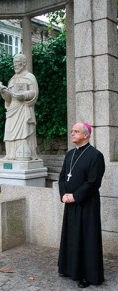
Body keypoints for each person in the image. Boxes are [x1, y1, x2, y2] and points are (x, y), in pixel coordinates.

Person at [58, 122, 105, 288]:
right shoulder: (69, 154)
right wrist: (64, 194)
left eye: (76, 131)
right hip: (69, 202)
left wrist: (75, 196)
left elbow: (93, 182)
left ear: (86, 135)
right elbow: (63, 176)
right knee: (71, 235)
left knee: (87, 238)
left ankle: (88, 275)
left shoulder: (95, 155)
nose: (72, 133)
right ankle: (70, 268)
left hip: (87, 204)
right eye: (72, 131)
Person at [0, 54, 38, 160]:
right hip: (12, 109)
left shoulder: (30, 77)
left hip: (24, 108)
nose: (15, 65)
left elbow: (34, 93)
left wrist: (23, 95)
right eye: (14, 63)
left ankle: (25, 155)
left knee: (24, 131)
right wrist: (2, 92)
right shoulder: (12, 80)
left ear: (24, 63)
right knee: (9, 131)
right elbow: (9, 99)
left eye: (17, 62)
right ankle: (10, 154)